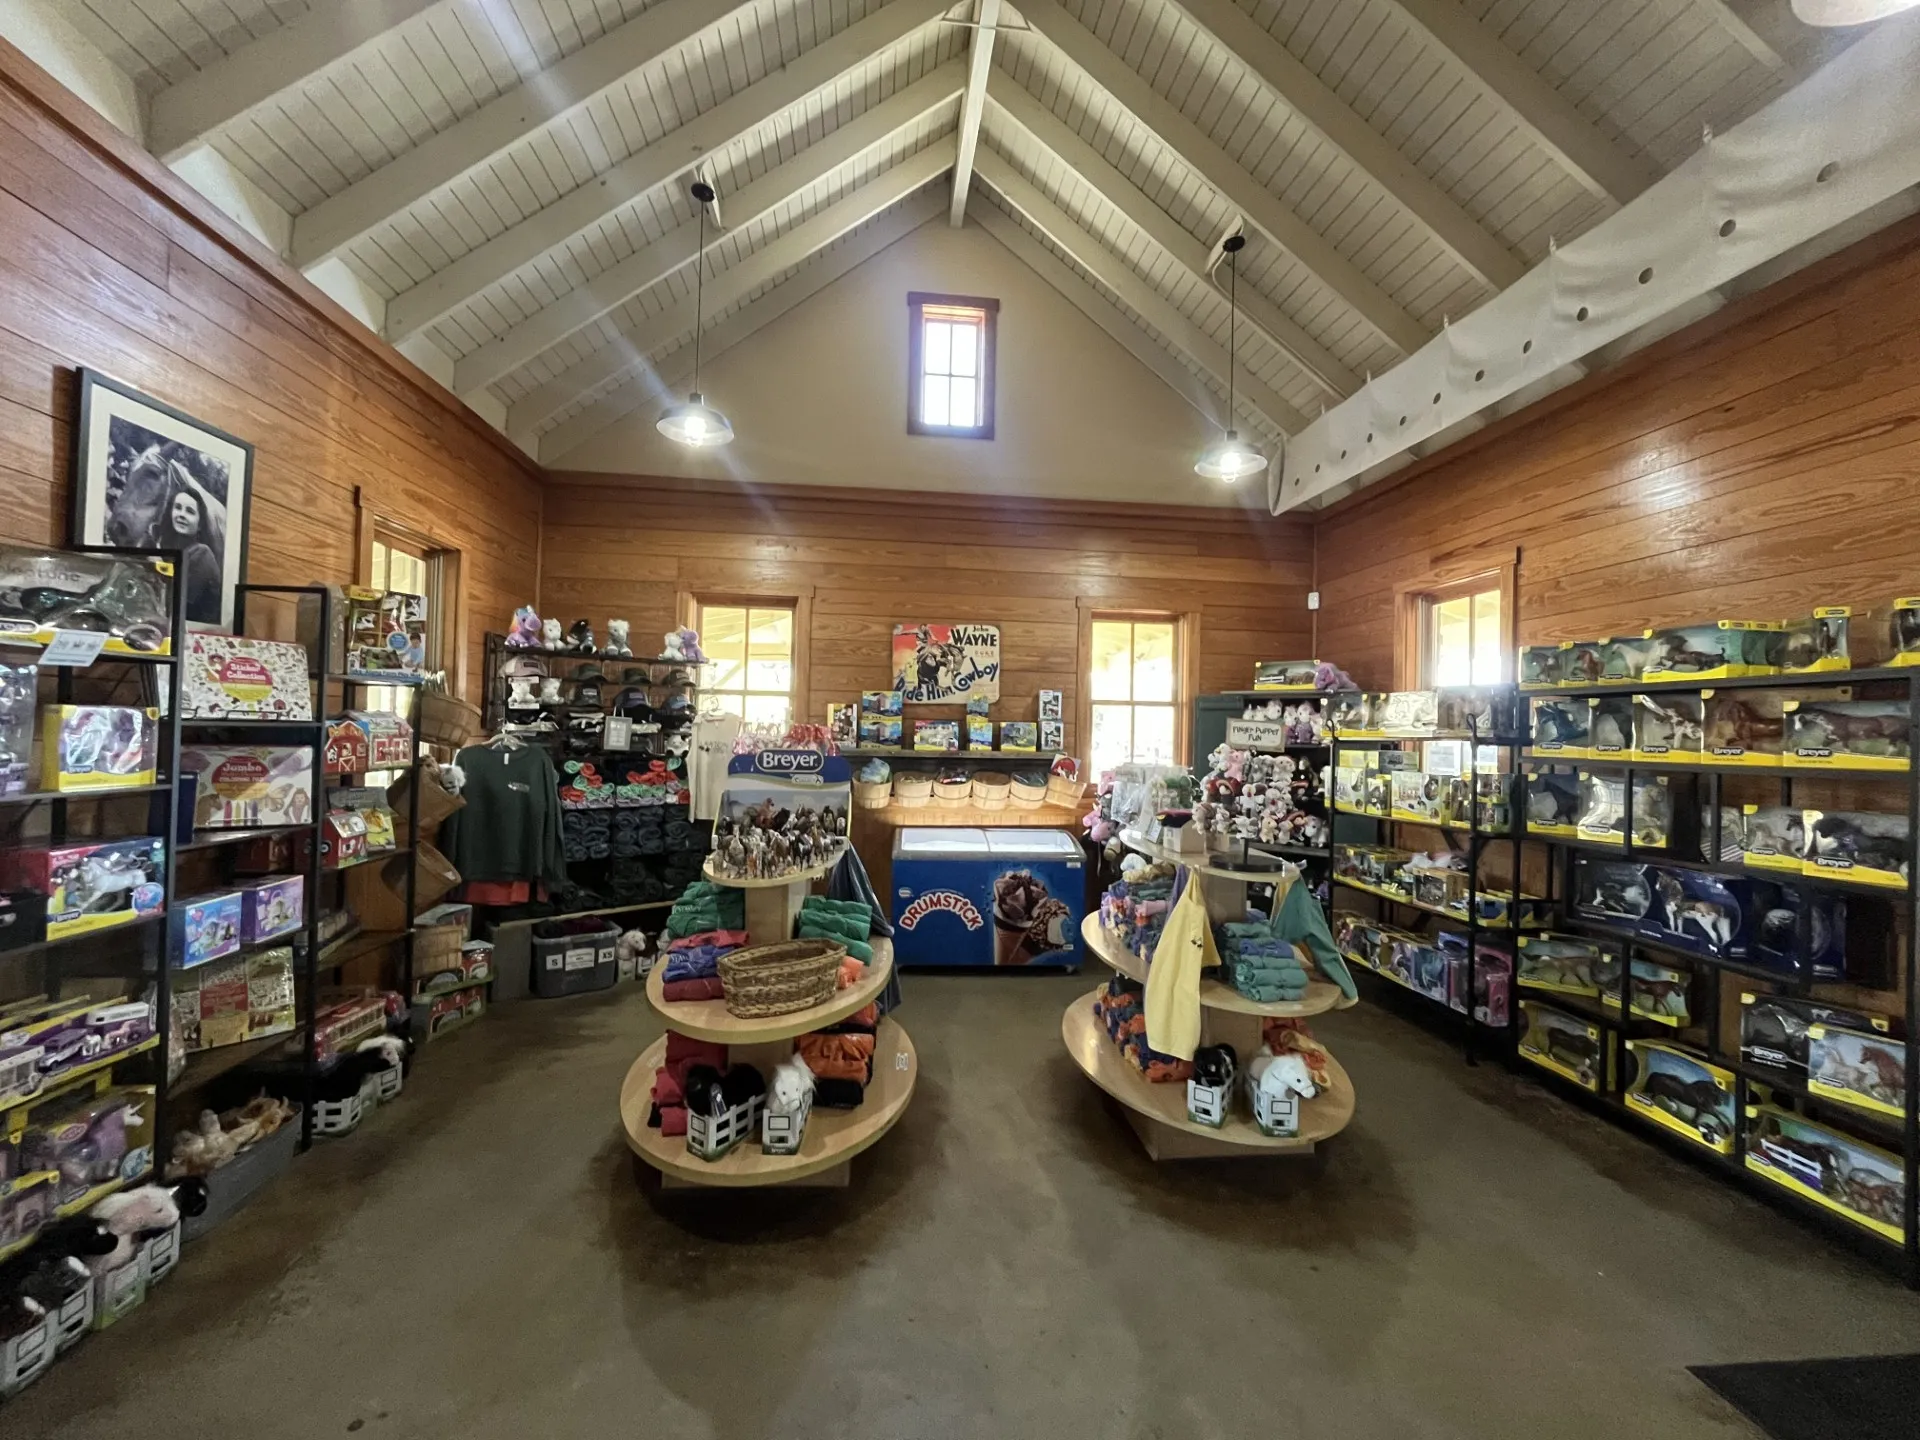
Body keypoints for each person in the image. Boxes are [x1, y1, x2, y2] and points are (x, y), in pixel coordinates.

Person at [155, 459, 227, 624]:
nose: (181, 514)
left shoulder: (203, 555)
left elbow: (174, 604)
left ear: (200, 524)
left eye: (189, 511)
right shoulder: (169, 551)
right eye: (178, 508)